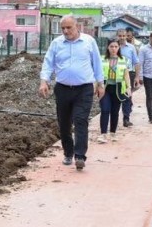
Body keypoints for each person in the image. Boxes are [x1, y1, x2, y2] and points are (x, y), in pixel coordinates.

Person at [39, 15, 105, 171]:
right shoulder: (56, 44)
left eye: (69, 27)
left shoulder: (89, 42)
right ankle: (68, 152)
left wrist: (100, 84)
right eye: (63, 28)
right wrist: (44, 81)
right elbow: (48, 63)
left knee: (80, 120)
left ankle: (80, 155)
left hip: (84, 89)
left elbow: (97, 63)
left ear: (77, 27)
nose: (65, 31)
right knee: (64, 123)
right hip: (62, 89)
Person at [97, 38, 131, 143]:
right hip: (105, 88)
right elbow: (97, 74)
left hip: (118, 88)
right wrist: (96, 87)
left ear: (119, 47)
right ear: (108, 47)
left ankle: (113, 133)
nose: (114, 49)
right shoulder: (101, 59)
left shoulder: (123, 60)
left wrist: (129, 87)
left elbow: (126, 75)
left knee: (115, 111)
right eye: (111, 46)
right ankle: (103, 134)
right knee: (105, 109)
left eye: (116, 47)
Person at [116, 29, 140, 127]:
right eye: (120, 36)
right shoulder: (114, 46)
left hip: (129, 74)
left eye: (123, 36)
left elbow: (136, 62)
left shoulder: (131, 48)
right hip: (116, 75)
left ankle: (126, 118)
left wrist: (137, 77)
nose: (122, 38)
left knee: (127, 96)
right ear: (117, 36)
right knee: (116, 96)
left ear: (127, 36)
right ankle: (114, 118)